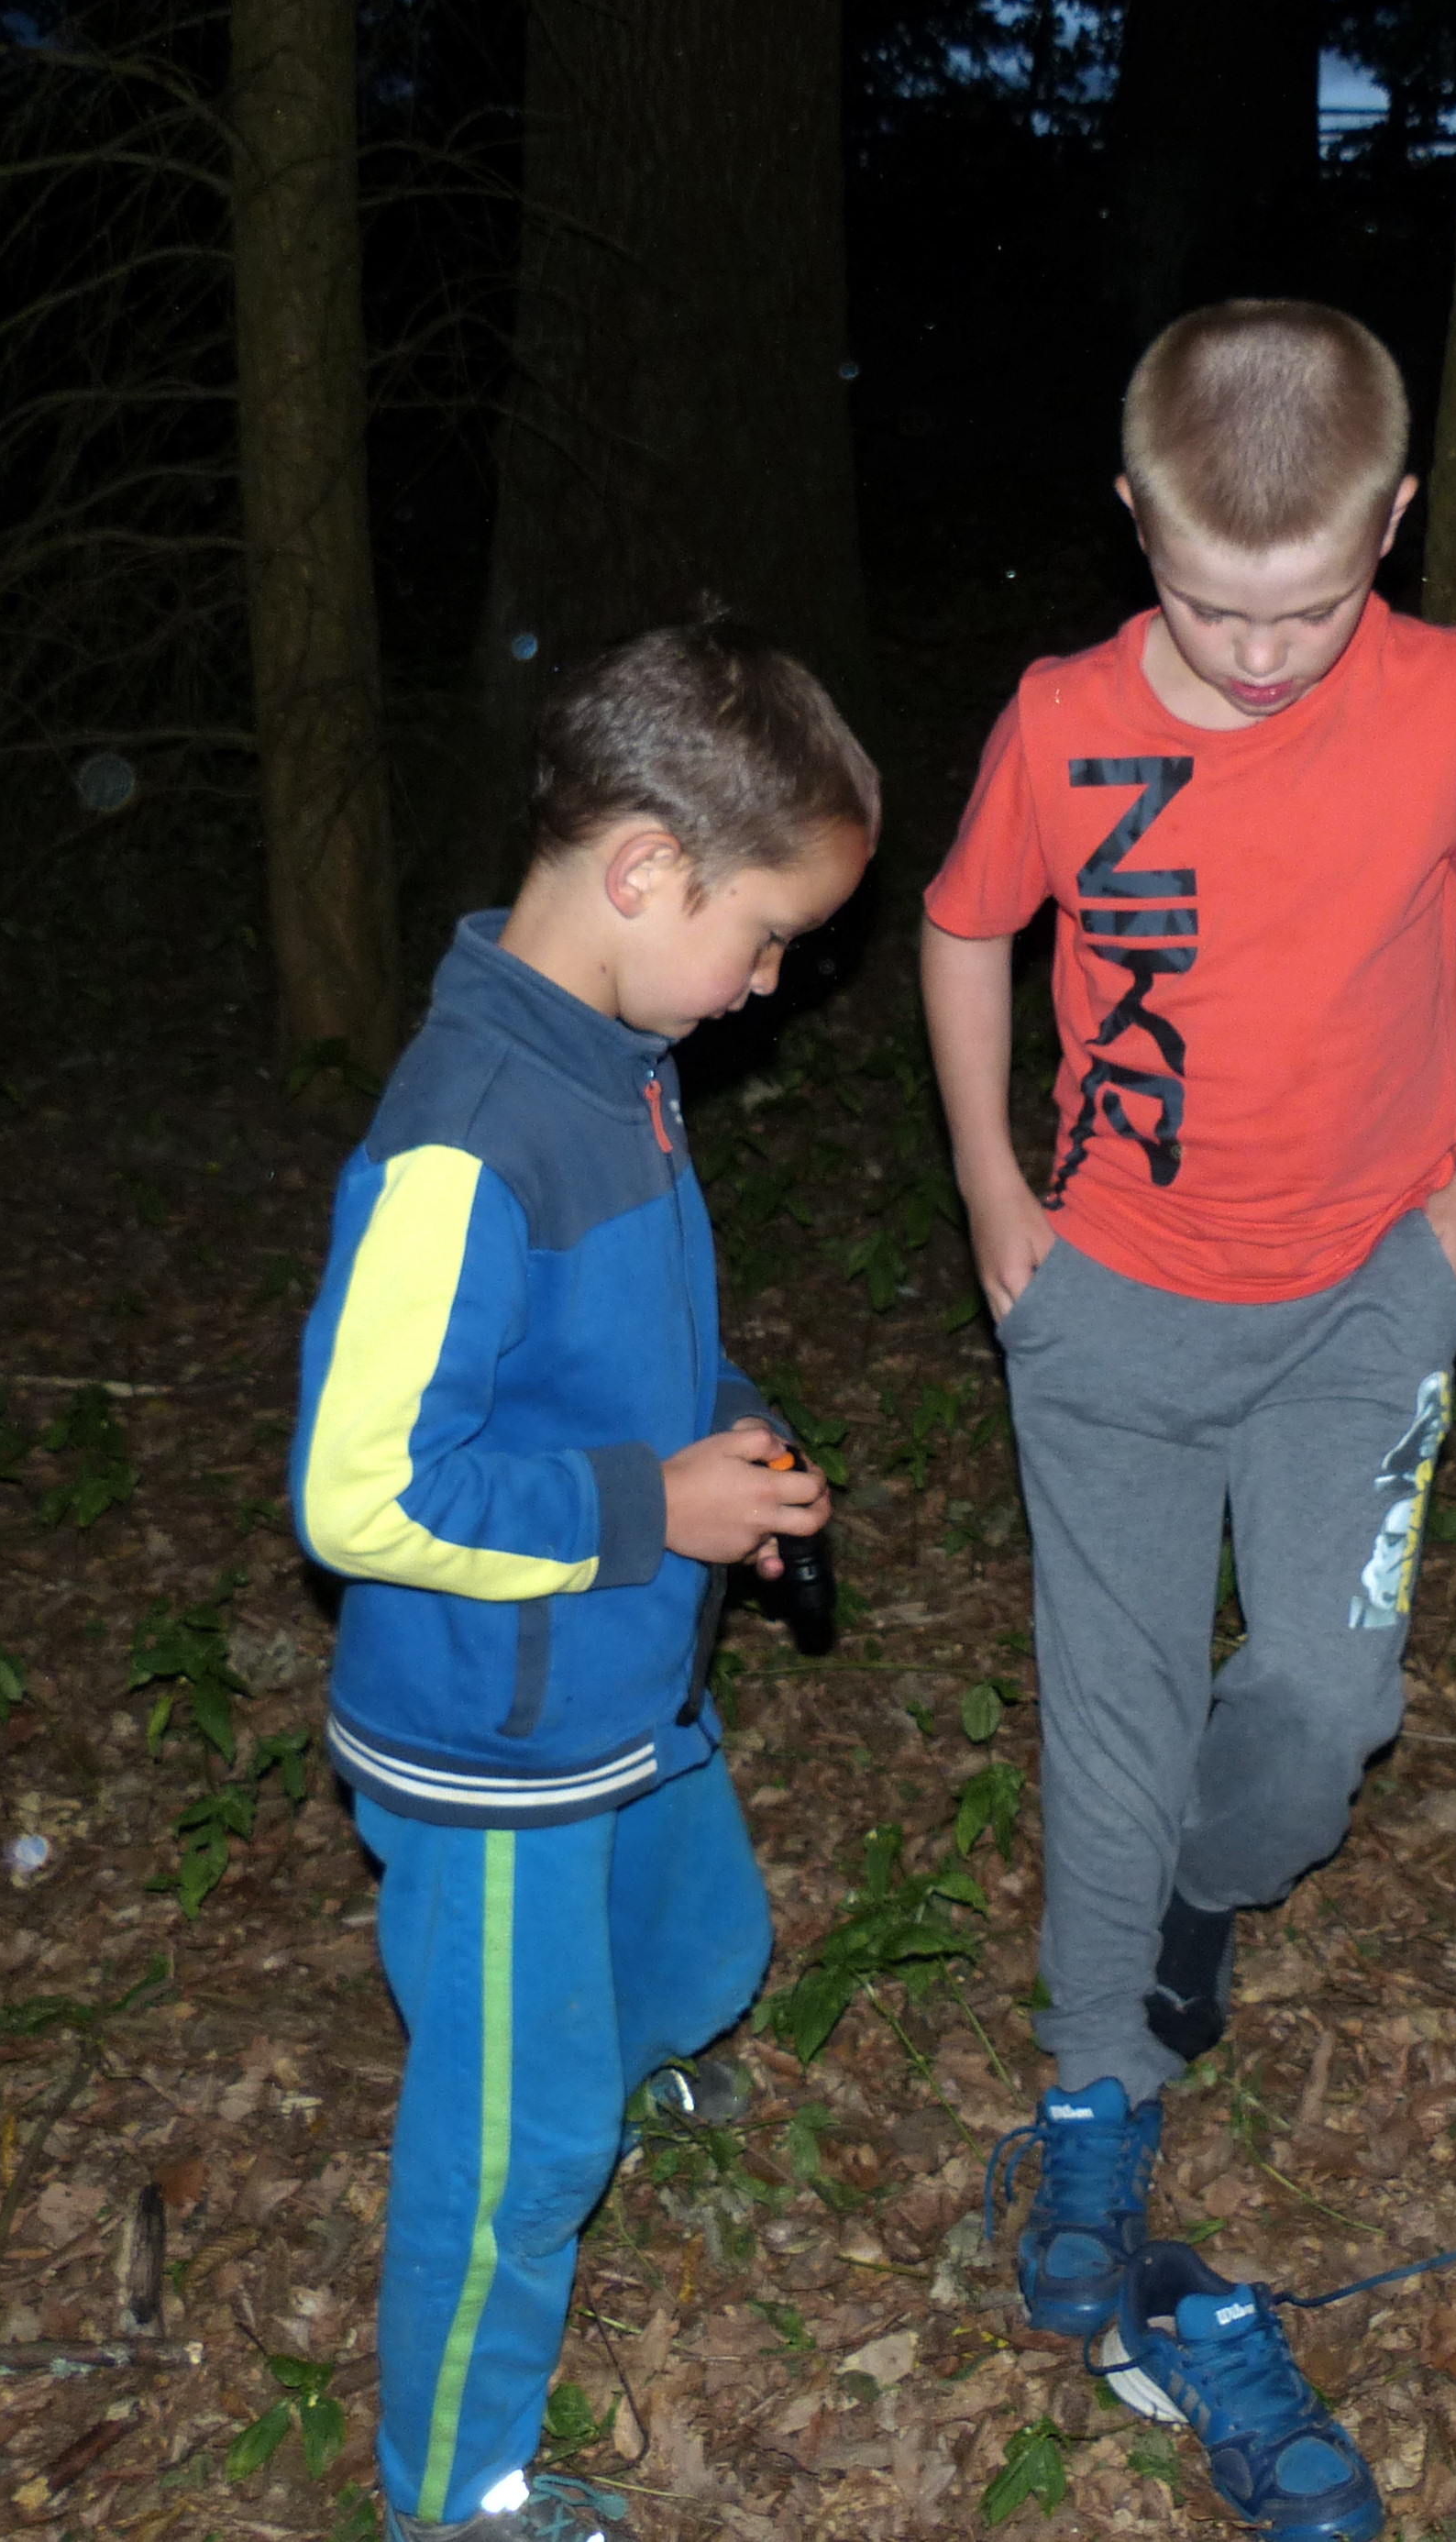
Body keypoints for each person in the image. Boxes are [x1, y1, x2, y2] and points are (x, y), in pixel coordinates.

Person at [925, 302, 1456, 2539]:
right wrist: (995, 1190)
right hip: (1111, 1307)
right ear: (1137, 523)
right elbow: (963, 933)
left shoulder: (1452, 696)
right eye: (1216, 603)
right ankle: (1097, 2097)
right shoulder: (1062, 718)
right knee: (1109, 1717)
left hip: (1356, 1308)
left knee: (1320, 1698)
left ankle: (1197, 1904)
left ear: (1390, 526)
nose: (1265, 650)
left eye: (1308, 604)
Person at [291, 619, 877, 2542]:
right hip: (497, 1744)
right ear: (645, 869)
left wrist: (727, 1429)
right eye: (765, 937)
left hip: (624, 1676)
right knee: (514, 2151)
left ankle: (603, 2068)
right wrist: (651, 1506)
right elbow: (363, 1494)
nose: (772, 981)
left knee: (707, 1948)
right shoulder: (467, 1139)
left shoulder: (615, 1058)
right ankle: (453, 2492)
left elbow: (620, 1347)